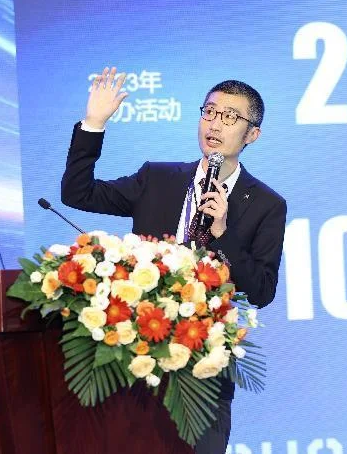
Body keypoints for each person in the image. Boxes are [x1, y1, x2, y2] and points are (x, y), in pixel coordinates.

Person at [61, 67, 287, 453]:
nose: (215, 123)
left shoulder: (266, 204)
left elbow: (262, 291)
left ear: (252, 135)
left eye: (230, 117)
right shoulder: (157, 179)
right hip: (136, 365)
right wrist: (94, 124)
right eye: (209, 112)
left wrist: (223, 234)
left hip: (204, 377)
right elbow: (77, 193)